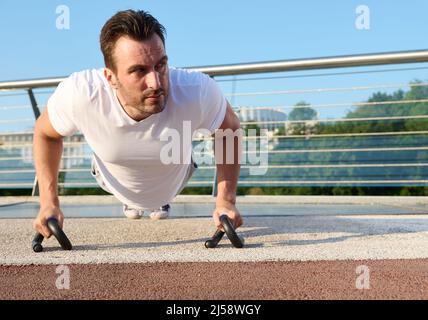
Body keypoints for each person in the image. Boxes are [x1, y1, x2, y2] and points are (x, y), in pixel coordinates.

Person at [33, 9, 243, 238]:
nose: (155, 82)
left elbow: (229, 130)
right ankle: (132, 201)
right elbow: (46, 134)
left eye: (161, 65)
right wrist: (48, 203)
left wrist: (227, 200)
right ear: (110, 77)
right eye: (139, 71)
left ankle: (158, 202)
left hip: (175, 177)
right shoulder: (81, 93)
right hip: (110, 177)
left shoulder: (196, 90)